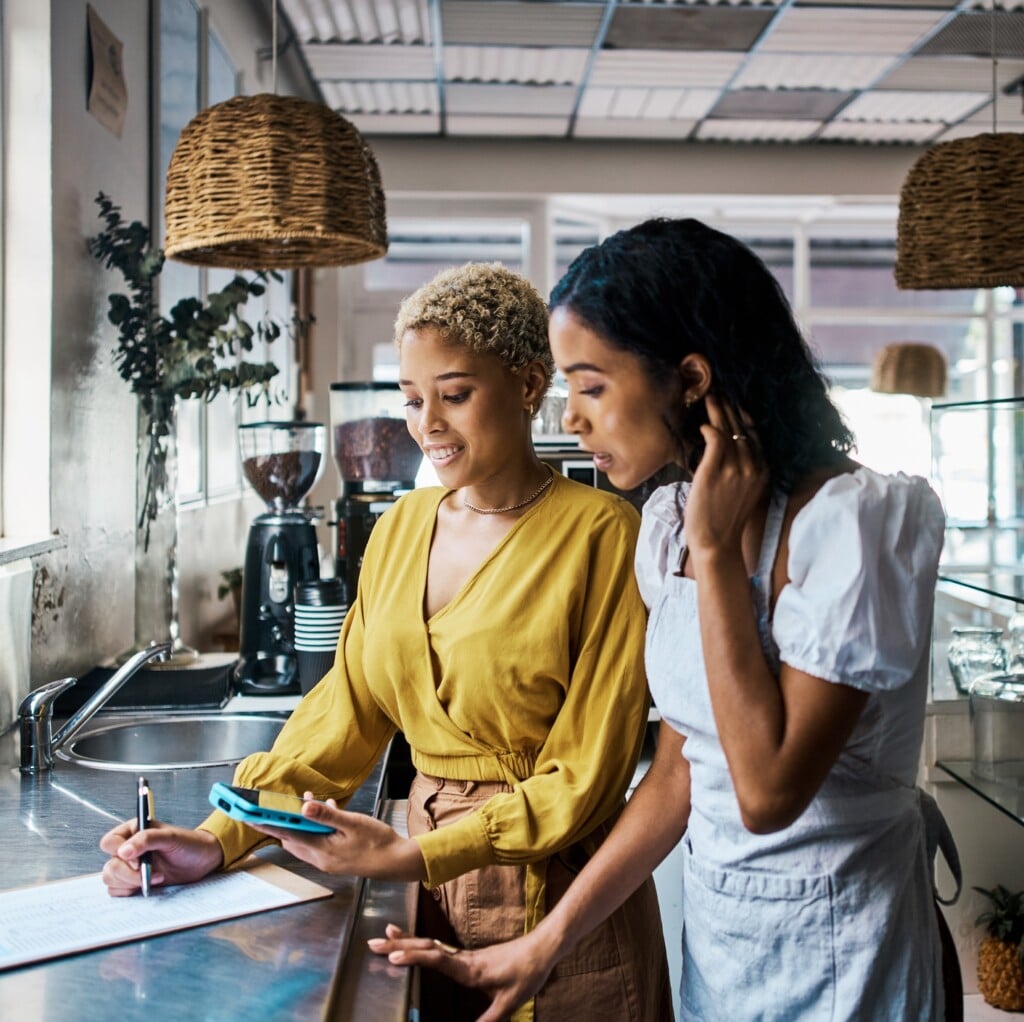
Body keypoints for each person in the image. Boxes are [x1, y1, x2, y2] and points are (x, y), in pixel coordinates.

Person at [368, 218, 962, 1021]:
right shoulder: (671, 523)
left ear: (688, 378)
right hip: (723, 948)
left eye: (592, 385)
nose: (571, 419)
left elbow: (766, 790)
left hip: (847, 947)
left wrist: (717, 558)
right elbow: (681, 775)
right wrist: (542, 946)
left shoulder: (855, 524)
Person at [99, 262, 673, 1021]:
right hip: (424, 896)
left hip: (563, 909)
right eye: (411, 400)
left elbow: (585, 778)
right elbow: (341, 716)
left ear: (530, 384)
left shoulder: (603, 535)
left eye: (455, 395)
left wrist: (414, 853)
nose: (426, 424)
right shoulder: (402, 528)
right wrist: (221, 835)